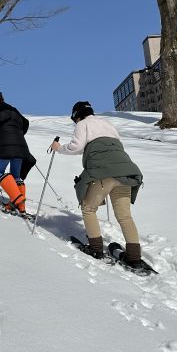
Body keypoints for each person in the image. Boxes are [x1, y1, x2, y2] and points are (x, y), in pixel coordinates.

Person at [50, 101, 145, 268]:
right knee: (124, 216)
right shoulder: (107, 124)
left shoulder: (83, 124)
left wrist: (58, 147)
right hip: (126, 171)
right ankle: (134, 257)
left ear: (77, 116)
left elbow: (76, 147)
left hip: (103, 172)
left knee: (88, 208)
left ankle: (95, 249)